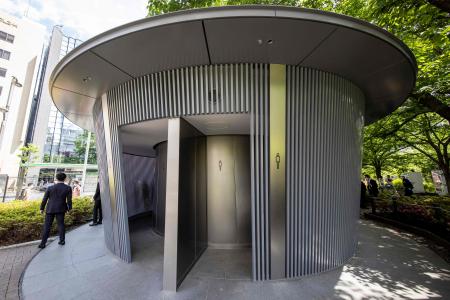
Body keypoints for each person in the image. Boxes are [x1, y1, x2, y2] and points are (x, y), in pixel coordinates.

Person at [38, 173, 72, 248]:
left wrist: (41, 208)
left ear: (56, 178)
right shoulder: (68, 188)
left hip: (50, 208)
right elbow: (69, 200)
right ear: (65, 179)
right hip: (61, 209)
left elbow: (44, 199)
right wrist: (69, 208)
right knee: (61, 224)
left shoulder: (50, 188)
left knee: (47, 226)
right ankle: (62, 241)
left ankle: (43, 243)